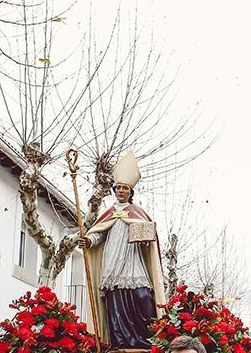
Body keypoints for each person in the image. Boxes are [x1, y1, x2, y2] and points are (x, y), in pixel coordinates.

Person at [78, 150, 165, 351]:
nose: (121, 191)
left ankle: (144, 341)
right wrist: (89, 241)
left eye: (125, 188)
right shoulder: (108, 213)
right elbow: (98, 234)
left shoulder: (138, 213)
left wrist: (145, 240)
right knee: (115, 303)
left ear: (130, 192)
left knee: (143, 297)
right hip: (113, 264)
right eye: (118, 188)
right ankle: (119, 343)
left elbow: (148, 237)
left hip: (134, 261)